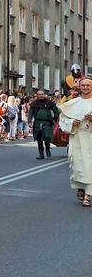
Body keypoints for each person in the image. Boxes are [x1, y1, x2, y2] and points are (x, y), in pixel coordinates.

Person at [58, 78, 92, 206]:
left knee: (90, 166)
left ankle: (88, 195)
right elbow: (63, 120)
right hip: (77, 137)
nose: (85, 87)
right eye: (83, 85)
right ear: (80, 87)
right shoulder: (73, 103)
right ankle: (81, 187)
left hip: (90, 137)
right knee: (77, 166)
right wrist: (72, 123)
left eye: (88, 85)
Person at [28, 90, 59, 160]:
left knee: (47, 137)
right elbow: (30, 113)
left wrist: (56, 118)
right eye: (39, 94)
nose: (41, 95)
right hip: (37, 122)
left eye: (42, 94)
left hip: (47, 122)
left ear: (44, 95)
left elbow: (56, 110)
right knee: (39, 139)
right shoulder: (34, 103)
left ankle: (47, 148)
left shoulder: (49, 102)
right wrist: (29, 121)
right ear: (37, 95)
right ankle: (41, 154)